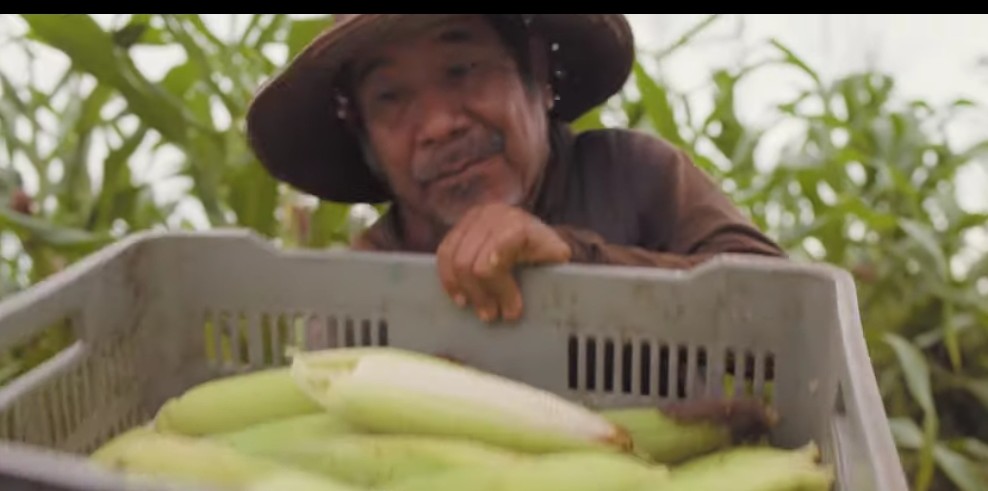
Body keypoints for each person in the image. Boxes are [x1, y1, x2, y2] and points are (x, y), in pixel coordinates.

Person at [244, 14, 786, 324]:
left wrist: (576, 256)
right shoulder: (367, 285)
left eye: (462, 70)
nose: (438, 126)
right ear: (366, 140)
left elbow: (786, 308)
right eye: (390, 98)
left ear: (539, 75)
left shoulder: (636, 175)